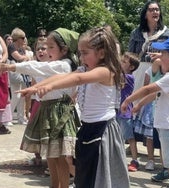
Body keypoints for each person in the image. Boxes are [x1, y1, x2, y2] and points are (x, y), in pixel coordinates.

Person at [17, 27, 130, 188]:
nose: (80, 57)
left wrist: (49, 88)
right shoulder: (86, 68)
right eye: (80, 52)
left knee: (100, 179)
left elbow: (77, 79)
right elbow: (62, 76)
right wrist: (36, 88)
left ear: (102, 53)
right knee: (84, 176)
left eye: (85, 53)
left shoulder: (106, 71)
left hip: (102, 131)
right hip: (87, 129)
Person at [0, 28, 79, 188]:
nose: (46, 50)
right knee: (50, 155)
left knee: (60, 156)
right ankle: (54, 185)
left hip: (59, 111)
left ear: (64, 49)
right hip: (47, 110)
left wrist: (11, 67)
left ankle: (63, 186)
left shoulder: (64, 66)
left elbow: (36, 67)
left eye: (51, 47)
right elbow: (37, 68)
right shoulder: (52, 64)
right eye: (45, 47)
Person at [121, 37, 169, 188]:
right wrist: (139, 104)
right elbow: (154, 94)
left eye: (163, 54)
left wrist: (128, 101)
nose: (159, 58)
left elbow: (148, 89)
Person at [128, 0, 169, 173]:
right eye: (151, 9)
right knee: (136, 109)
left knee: (152, 109)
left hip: (158, 71)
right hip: (139, 71)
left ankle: (158, 157)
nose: (155, 12)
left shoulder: (166, 32)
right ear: (145, 13)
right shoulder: (137, 32)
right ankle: (136, 152)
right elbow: (131, 54)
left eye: (157, 9)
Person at [116, 52, 140, 172]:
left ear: (131, 67)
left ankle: (135, 160)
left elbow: (117, 78)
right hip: (116, 110)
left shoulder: (129, 77)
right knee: (117, 137)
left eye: (124, 62)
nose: (121, 63)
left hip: (125, 112)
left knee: (129, 137)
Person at [8, 27, 31, 125]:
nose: (25, 39)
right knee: (16, 96)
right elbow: (19, 58)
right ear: (18, 38)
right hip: (13, 72)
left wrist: (25, 58)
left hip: (21, 72)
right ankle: (7, 118)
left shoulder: (21, 49)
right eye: (23, 37)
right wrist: (26, 57)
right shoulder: (11, 46)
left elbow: (25, 58)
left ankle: (21, 118)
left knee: (22, 96)